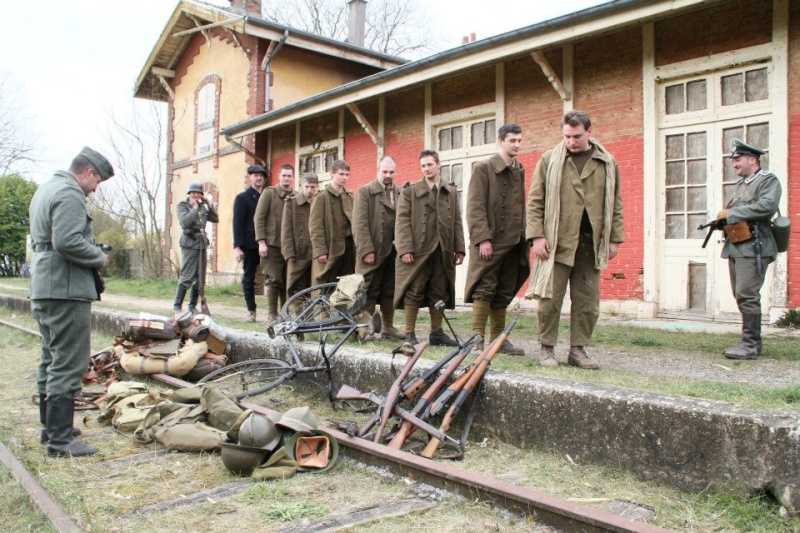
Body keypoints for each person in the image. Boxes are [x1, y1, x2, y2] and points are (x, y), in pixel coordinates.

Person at [28, 146, 114, 457]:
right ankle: (60, 441)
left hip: (45, 284)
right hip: (65, 287)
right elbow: (67, 241)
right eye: (97, 182)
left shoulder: (46, 188)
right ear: (89, 172)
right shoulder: (70, 193)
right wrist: (99, 257)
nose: (94, 189)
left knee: (50, 356)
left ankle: (50, 428)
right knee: (69, 360)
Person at [526, 110, 624, 369]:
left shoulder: (607, 162)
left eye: (577, 136)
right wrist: (537, 235)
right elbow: (535, 201)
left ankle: (578, 350)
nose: (571, 142)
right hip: (556, 242)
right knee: (549, 299)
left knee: (587, 300)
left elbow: (616, 204)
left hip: (590, 243)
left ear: (589, 132)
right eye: (567, 136)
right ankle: (547, 349)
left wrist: (614, 239)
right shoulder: (549, 160)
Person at [465, 124, 530, 355]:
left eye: (519, 140)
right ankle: (476, 338)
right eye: (512, 140)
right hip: (490, 241)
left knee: (504, 289)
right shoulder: (483, 169)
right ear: (500, 141)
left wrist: (525, 237)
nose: (517, 145)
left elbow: (521, 206)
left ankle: (498, 341)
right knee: (484, 288)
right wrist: (483, 238)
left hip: (513, 241)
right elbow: (474, 206)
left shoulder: (519, 169)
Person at [717, 139, 781, 360]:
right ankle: (752, 342)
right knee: (741, 294)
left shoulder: (768, 180)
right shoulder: (741, 185)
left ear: (752, 159)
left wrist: (731, 215)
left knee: (747, 293)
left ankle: (750, 345)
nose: (734, 164)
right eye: (733, 160)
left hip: (756, 245)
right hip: (738, 244)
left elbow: (767, 206)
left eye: (738, 159)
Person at [394, 149, 465, 347]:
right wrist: (405, 248)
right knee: (414, 290)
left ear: (438, 165)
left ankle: (437, 333)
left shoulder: (449, 191)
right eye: (423, 165)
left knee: (439, 291)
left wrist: (459, 247)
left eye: (429, 165)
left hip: (443, 250)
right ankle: (409, 333)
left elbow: (457, 221)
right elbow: (402, 222)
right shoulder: (410, 191)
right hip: (418, 251)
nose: (426, 169)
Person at [352, 156, 406, 340]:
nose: (388, 175)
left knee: (390, 289)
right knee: (367, 289)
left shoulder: (400, 192)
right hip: (372, 251)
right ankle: (365, 329)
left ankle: (388, 327)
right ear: (377, 170)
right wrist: (366, 249)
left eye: (391, 172)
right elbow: (359, 224)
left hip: (393, 252)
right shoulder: (365, 192)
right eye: (384, 172)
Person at [254, 163, 294, 323]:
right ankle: (272, 314)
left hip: (289, 246)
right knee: (273, 279)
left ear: (292, 177)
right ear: (279, 176)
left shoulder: (296, 196)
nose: (286, 178)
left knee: (287, 280)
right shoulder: (269, 193)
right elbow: (259, 217)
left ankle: (285, 314)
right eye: (283, 175)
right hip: (271, 244)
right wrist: (261, 242)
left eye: (289, 176)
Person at [173, 182, 219, 314]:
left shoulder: (203, 207)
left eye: (198, 193)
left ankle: (192, 306)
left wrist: (209, 205)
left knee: (200, 278)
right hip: (189, 244)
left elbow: (215, 219)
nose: (195, 195)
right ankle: (177, 306)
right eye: (193, 192)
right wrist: (193, 209)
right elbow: (185, 222)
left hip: (201, 244)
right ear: (189, 193)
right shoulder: (182, 206)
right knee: (187, 276)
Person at [309, 160, 355, 286]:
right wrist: (320, 250)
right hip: (330, 248)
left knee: (345, 285)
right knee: (324, 285)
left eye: (347, 174)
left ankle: (341, 307)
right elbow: (315, 226)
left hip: (348, 248)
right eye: (341, 174)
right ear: (332, 174)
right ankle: (322, 306)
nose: (344, 177)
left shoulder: (350, 198)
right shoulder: (322, 197)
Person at [232, 165, 266, 322]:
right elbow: (237, 224)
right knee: (249, 278)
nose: (258, 178)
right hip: (250, 245)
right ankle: (251, 311)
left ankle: (274, 312)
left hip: (267, 244)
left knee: (272, 277)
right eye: (255, 175)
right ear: (250, 178)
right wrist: (237, 247)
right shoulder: (242, 198)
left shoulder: (267, 196)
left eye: (261, 176)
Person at [282, 173, 319, 299]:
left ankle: (310, 315)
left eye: (312, 187)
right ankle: (296, 314)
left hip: (315, 251)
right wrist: (288, 252)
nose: (309, 190)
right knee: (294, 285)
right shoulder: (291, 203)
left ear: (317, 187)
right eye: (307, 186)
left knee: (313, 285)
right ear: (301, 186)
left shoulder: (320, 202)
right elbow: (286, 229)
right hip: (298, 251)